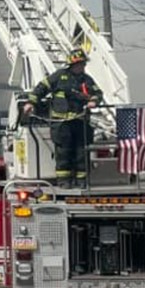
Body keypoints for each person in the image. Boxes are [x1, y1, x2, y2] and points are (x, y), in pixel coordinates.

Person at [22, 48, 103, 186]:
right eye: (79, 64)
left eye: (83, 64)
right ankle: (64, 182)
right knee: (63, 153)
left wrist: (93, 101)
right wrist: (31, 103)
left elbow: (97, 93)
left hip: (80, 122)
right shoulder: (59, 76)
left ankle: (82, 182)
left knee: (81, 153)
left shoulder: (86, 80)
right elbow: (41, 88)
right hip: (61, 124)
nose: (82, 67)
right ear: (72, 64)